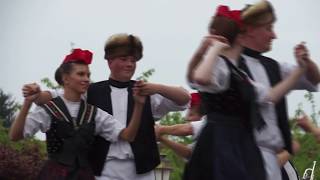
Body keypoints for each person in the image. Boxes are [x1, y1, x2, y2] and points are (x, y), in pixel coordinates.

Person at [23, 33, 190, 180]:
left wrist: (157, 88)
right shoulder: (90, 91)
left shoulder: (146, 92)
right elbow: (53, 97)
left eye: (133, 60)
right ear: (110, 62)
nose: (130, 64)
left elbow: (184, 99)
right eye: (124, 59)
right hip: (103, 169)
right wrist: (36, 95)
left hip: (142, 169)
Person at [184, 4, 308, 180]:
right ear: (240, 37)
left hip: (241, 143)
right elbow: (200, 78)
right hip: (219, 140)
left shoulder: (240, 75)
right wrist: (213, 49)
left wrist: (299, 71)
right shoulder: (220, 65)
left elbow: (270, 96)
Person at [9, 49, 147, 180]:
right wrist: (27, 103)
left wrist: (139, 104)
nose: (87, 79)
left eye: (88, 75)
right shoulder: (49, 109)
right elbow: (14, 136)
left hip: (84, 175)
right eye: (81, 74)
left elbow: (128, 135)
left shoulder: (94, 113)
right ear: (66, 79)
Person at [240, 1, 320, 179]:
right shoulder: (229, 66)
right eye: (268, 28)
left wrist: (306, 62)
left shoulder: (274, 67)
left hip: (268, 158)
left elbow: (313, 79)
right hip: (239, 154)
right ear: (251, 29)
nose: (274, 35)